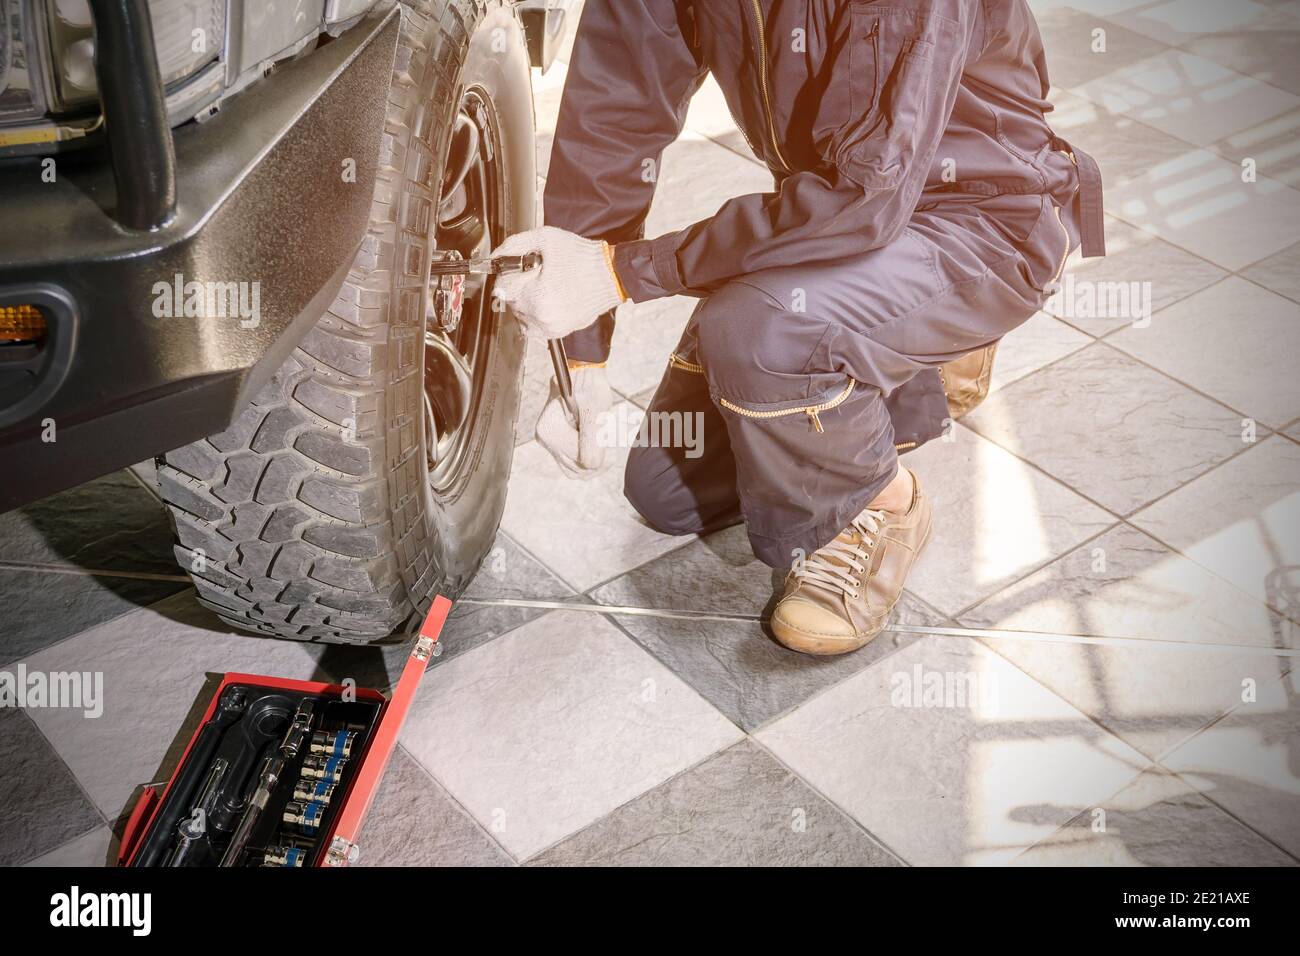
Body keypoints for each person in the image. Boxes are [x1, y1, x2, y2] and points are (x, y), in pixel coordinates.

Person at [493, 0, 1104, 656]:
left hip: (980, 221)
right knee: (669, 490)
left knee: (760, 334)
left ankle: (883, 504)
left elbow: (863, 194)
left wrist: (622, 271)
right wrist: (581, 357)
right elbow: (614, 117)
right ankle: (904, 368)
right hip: (833, 224)